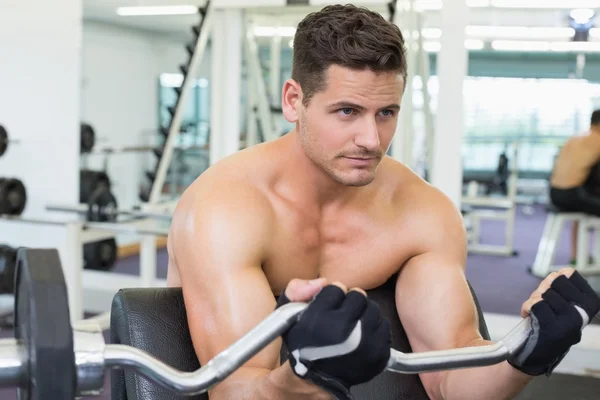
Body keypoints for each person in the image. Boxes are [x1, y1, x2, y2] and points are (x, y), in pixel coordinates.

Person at [167, 5, 600, 400]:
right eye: (347, 112)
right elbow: (233, 392)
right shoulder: (224, 210)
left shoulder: (420, 214)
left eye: (386, 113)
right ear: (294, 101)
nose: (371, 141)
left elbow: (452, 381)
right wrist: (304, 377)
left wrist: (527, 351)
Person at [550, 110, 600, 263]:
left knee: (580, 211)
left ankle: (575, 256)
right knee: (585, 201)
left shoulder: (574, 139)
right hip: (573, 194)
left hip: (554, 193)